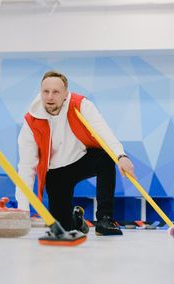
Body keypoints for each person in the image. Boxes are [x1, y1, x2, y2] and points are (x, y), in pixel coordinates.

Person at [15, 70, 136, 236]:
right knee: (62, 227)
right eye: (46, 91)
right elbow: (26, 167)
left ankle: (104, 219)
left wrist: (121, 156)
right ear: (40, 92)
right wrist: (22, 210)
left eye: (56, 92)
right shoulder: (30, 122)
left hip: (81, 160)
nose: (50, 97)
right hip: (56, 173)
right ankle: (77, 220)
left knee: (106, 156)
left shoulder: (81, 105)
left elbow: (103, 131)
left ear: (65, 94)